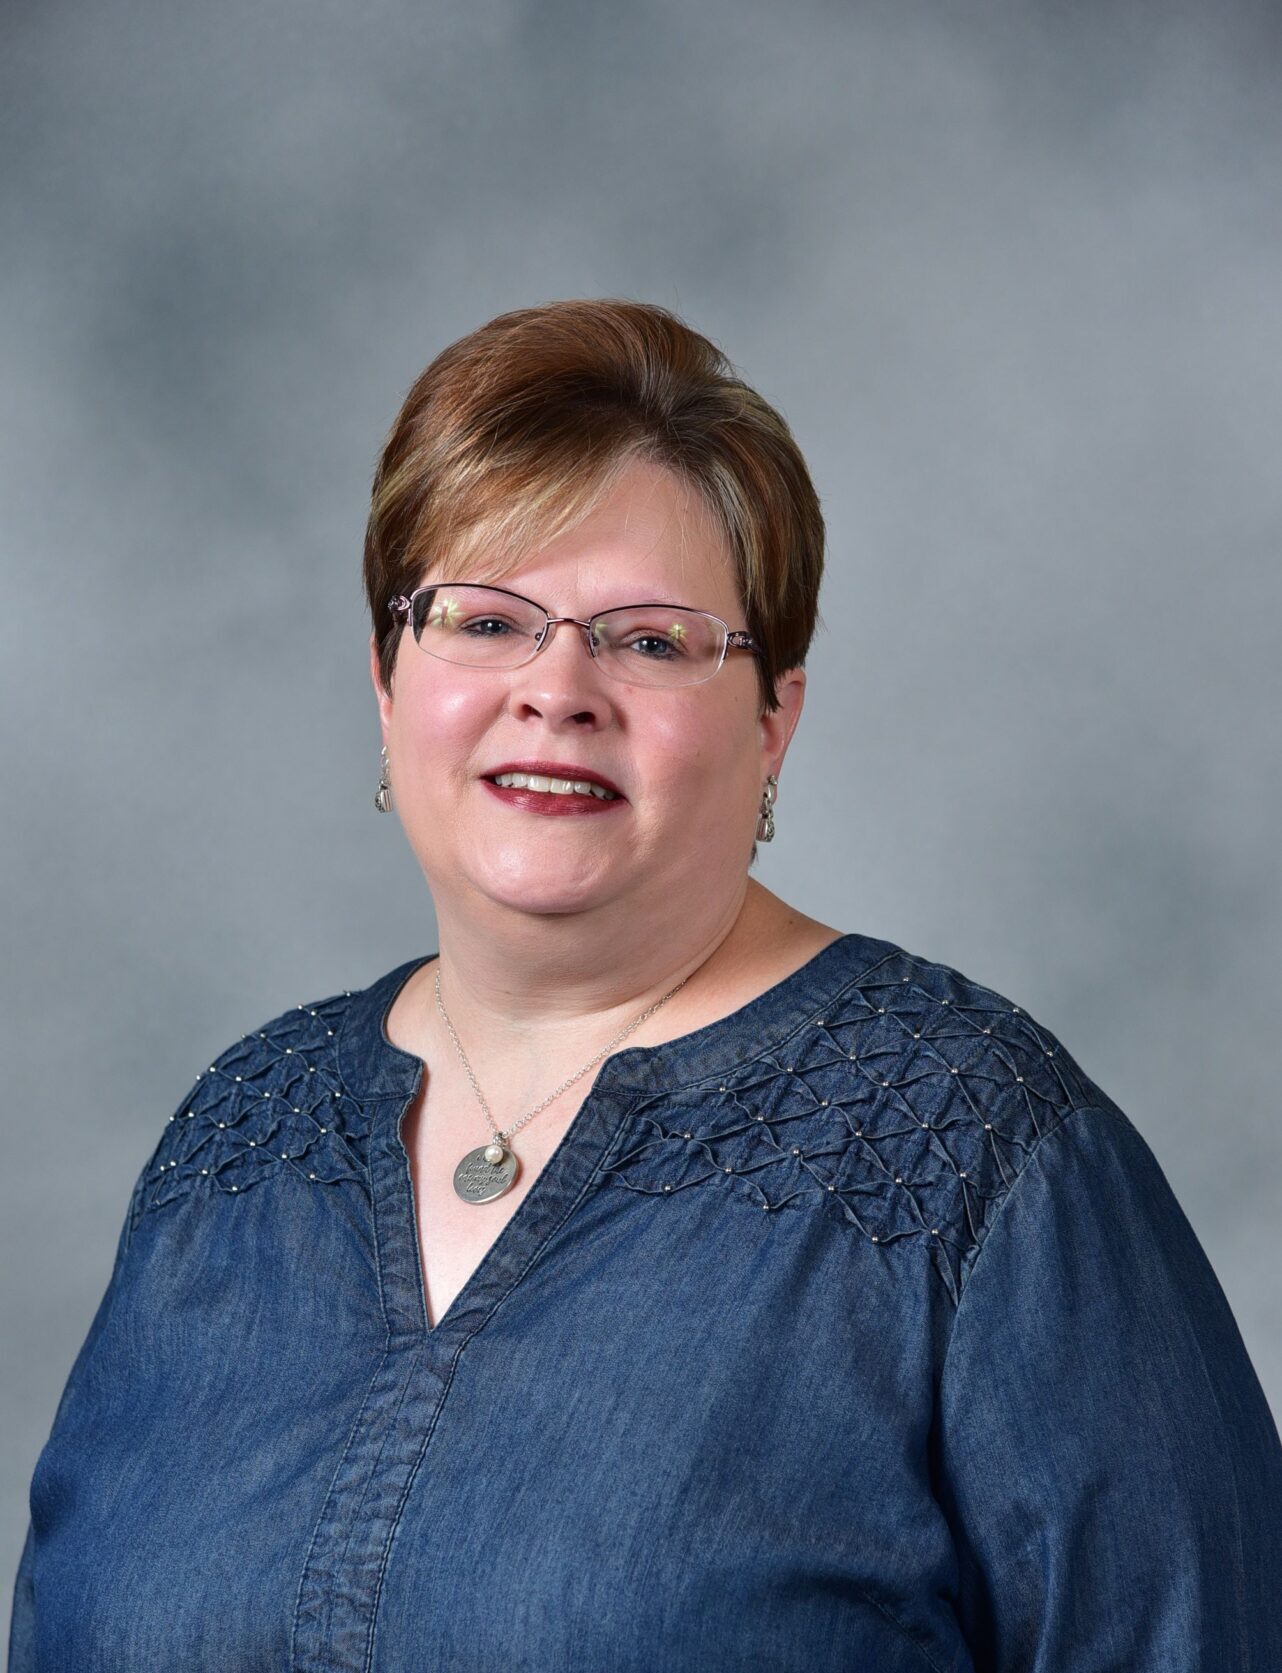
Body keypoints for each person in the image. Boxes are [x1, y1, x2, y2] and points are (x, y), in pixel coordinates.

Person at [9, 299, 1282, 1672]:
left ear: (772, 717)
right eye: (485, 619)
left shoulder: (976, 1153)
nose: (557, 689)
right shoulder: (239, 1137)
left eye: (652, 639)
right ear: (387, 678)